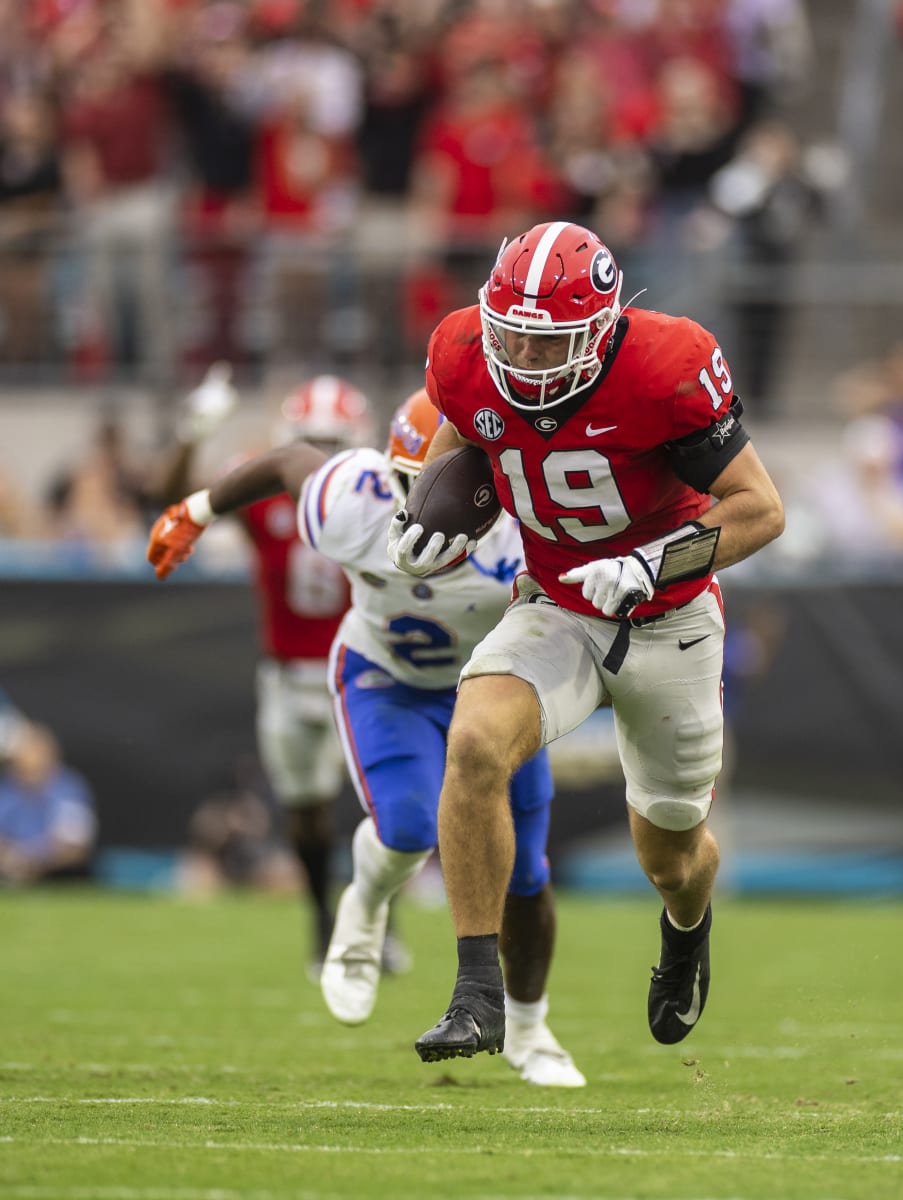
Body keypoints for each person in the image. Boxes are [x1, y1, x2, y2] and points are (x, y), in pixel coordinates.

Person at [387, 221, 786, 1062]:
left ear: (602, 332)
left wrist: (650, 562)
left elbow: (759, 507)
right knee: (475, 743)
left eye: (548, 345)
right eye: (514, 339)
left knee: (670, 855)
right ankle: (475, 993)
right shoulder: (462, 351)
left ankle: (687, 928)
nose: (527, 362)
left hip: (669, 616)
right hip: (557, 602)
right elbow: (467, 434)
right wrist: (431, 505)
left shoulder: (667, 365)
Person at [148, 388, 586, 1087]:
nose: (422, 510)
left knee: (528, 876)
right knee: (408, 827)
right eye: (410, 486)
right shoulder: (354, 500)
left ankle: (531, 1030)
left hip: (497, 685)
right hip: (391, 679)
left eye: (444, 489)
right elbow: (287, 462)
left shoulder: (527, 532)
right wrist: (195, 510)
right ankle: (362, 906)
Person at [158, 377, 366, 975]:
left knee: (384, 805)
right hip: (286, 676)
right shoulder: (266, 494)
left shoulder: (377, 491)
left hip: (358, 670)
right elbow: (177, 500)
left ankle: (377, 918)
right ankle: (324, 919)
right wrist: (190, 436)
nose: (321, 454)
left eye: (331, 440)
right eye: (311, 441)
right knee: (307, 809)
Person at [0, 724, 98, 884]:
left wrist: (33, 862)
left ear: (51, 754)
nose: (29, 757)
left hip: (57, 877)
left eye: (35, 750)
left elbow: (76, 847)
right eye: (23, 751)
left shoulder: (69, 788)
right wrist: (4, 858)